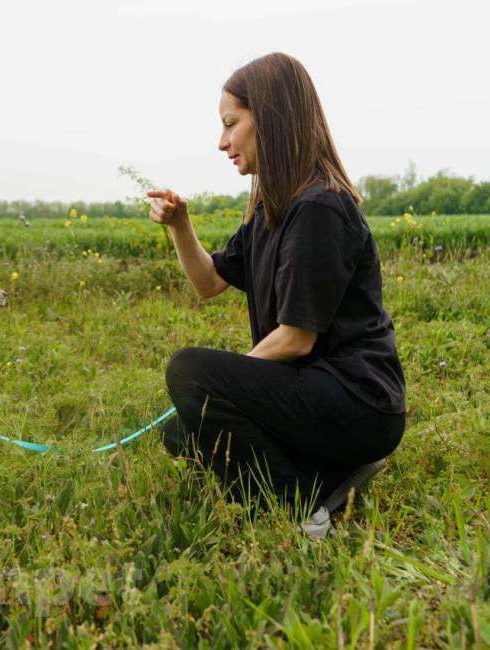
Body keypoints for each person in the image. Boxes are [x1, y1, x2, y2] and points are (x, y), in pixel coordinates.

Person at [148, 52, 406, 512]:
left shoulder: (319, 208)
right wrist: (180, 225)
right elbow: (208, 283)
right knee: (181, 430)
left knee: (191, 373)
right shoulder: (274, 209)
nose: (222, 142)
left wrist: (223, 386)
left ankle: (302, 503)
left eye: (231, 123)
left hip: (358, 403)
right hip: (315, 393)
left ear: (268, 118)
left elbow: (295, 339)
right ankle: (329, 475)